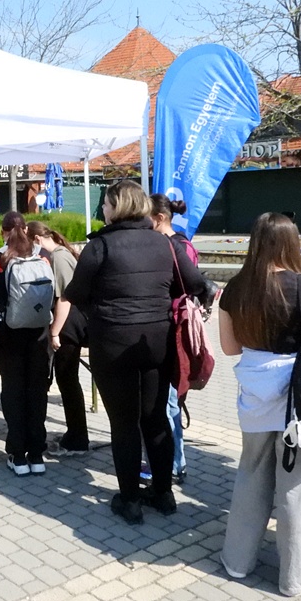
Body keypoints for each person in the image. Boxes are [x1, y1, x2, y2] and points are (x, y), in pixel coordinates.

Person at [218, 212, 301, 597]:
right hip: (300, 399)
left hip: (254, 396)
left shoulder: (236, 287)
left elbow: (229, 347)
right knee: (299, 489)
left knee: (250, 476)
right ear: (291, 244)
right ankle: (297, 577)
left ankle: (237, 561)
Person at [64, 181, 205, 524]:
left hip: (113, 343)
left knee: (124, 423)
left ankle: (129, 500)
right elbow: (196, 283)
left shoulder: (100, 246)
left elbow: (75, 293)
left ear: (118, 206)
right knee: (155, 418)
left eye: (106, 204)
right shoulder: (165, 243)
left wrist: (102, 308)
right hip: (156, 341)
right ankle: (164, 494)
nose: (102, 209)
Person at [0, 211, 53, 476]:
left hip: (10, 333)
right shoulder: (43, 255)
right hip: (39, 333)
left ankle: (17, 455)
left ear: (3, 232)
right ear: (26, 229)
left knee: (13, 393)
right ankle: (37, 455)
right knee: (37, 392)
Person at [150, 193, 201, 484]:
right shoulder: (180, 244)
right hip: (172, 328)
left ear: (159, 219)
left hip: (172, 329)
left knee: (169, 402)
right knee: (171, 401)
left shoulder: (174, 247)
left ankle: (172, 463)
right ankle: (174, 462)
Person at [27, 220, 90, 456]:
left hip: (69, 328)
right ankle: (75, 435)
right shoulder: (60, 255)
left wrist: (54, 332)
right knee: (67, 382)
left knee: (68, 382)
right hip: (68, 326)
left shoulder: (59, 258)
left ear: (37, 239)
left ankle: (77, 439)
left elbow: (65, 298)